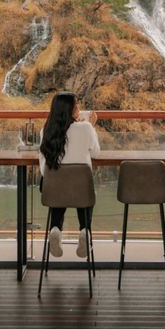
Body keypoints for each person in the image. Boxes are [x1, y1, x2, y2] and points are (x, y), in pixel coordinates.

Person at [39, 91, 100, 258]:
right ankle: (85, 230)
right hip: (81, 190)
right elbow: (96, 153)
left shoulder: (46, 130)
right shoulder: (85, 128)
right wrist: (91, 127)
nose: (79, 108)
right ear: (69, 110)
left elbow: (42, 169)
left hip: (53, 191)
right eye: (76, 105)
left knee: (60, 185)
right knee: (82, 188)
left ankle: (55, 228)